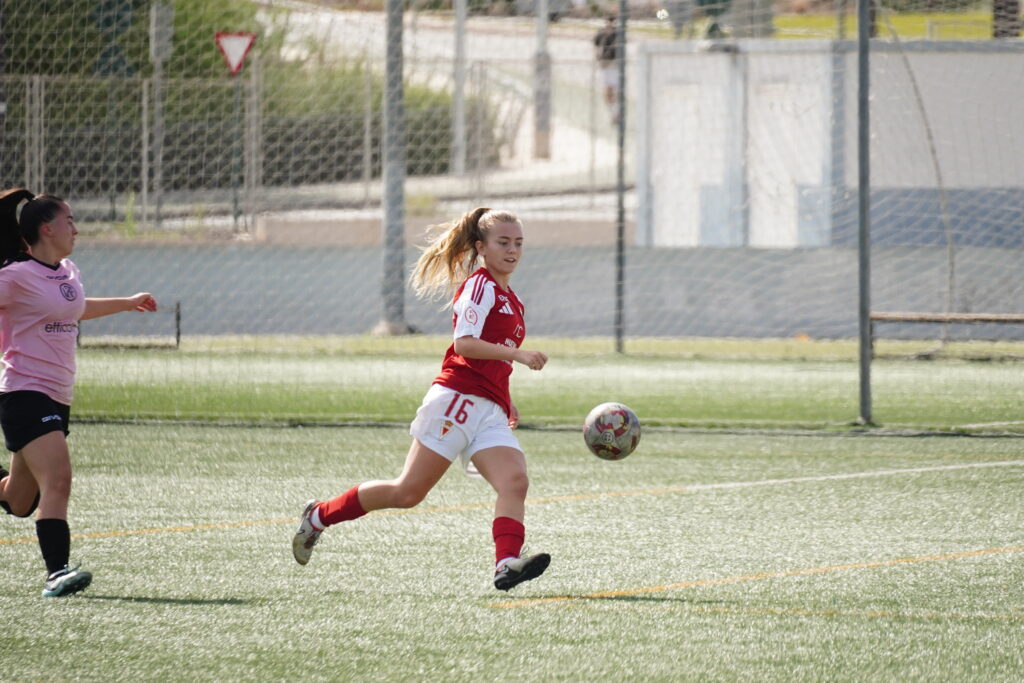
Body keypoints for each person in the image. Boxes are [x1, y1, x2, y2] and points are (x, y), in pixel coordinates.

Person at [292, 208, 551, 591]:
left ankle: (506, 564)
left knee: (515, 481)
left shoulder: (511, 298)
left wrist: (504, 397)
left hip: (488, 409)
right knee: (407, 492)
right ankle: (318, 517)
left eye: (518, 243)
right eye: (503, 242)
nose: (512, 250)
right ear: (481, 247)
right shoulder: (479, 286)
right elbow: (465, 344)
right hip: (456, 402)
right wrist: (517, 355)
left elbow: (491, 358)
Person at [0, 188, 158, 597]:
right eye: (69, 220)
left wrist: (128, 302)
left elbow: (75, 306)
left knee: (19, 501)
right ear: (46, 229)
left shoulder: (68, 271)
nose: (76, 228)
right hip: (24, 391)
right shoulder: (15, 276)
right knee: (59, 480)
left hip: (58, 396)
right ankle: (57, 573)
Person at [593, 15, 621, 123]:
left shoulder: (618, 34)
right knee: (607, 92)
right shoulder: (601, 33)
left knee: (616, 91)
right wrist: (598, 59)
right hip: (605, 65)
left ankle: (616, 113)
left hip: (615, 65)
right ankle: (612, 113)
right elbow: (595, 46)